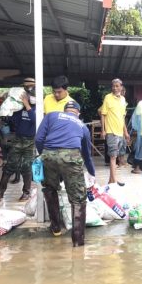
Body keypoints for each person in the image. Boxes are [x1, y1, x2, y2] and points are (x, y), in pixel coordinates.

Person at [35, 100, 95, 245]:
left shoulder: (51, 116)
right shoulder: (82, 126)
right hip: (71, 157)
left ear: (64, 110)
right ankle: (78, 242)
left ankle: (56, 228)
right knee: (78, 200)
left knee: (50, 189)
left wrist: (45, 154)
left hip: (48, 154)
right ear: (78, 113)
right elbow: (87, 154)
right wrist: (92, 172)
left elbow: (38, 139)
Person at [0, 78, 36, 202]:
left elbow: (35, 121)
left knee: (26, 167)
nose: (28, 89)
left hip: (30, 141)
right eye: (27, 87)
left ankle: (26, 193)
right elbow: (10, 118)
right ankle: (0, 193)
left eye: (31, 87)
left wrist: (27, 105)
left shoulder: (36, 107)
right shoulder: (17, 106)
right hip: (18, 139)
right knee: (8, 167)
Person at [99, 78, 130, 185]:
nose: (115, 88)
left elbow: (122, 118)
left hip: (120, 132)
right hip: (111, 131)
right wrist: (103, 130)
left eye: (117, 86)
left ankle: (111, 180)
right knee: (113, 157)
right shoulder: (107, 98)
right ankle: (114, 181)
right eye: (113, 86)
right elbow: (103, 114)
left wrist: (125, 132)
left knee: (117, 157)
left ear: (121, 87)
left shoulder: (123, 100)